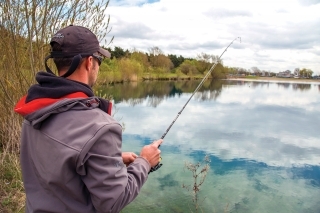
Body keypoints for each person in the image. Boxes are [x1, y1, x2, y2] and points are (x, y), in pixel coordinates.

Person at [14, 25, 163, 213]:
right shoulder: (100, 128)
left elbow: (59, 163)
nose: (98, 67)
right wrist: (145, 162)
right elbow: (113, 202)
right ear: (89, 62)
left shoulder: (34, 108)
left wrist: (112, 160)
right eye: (99, 60)